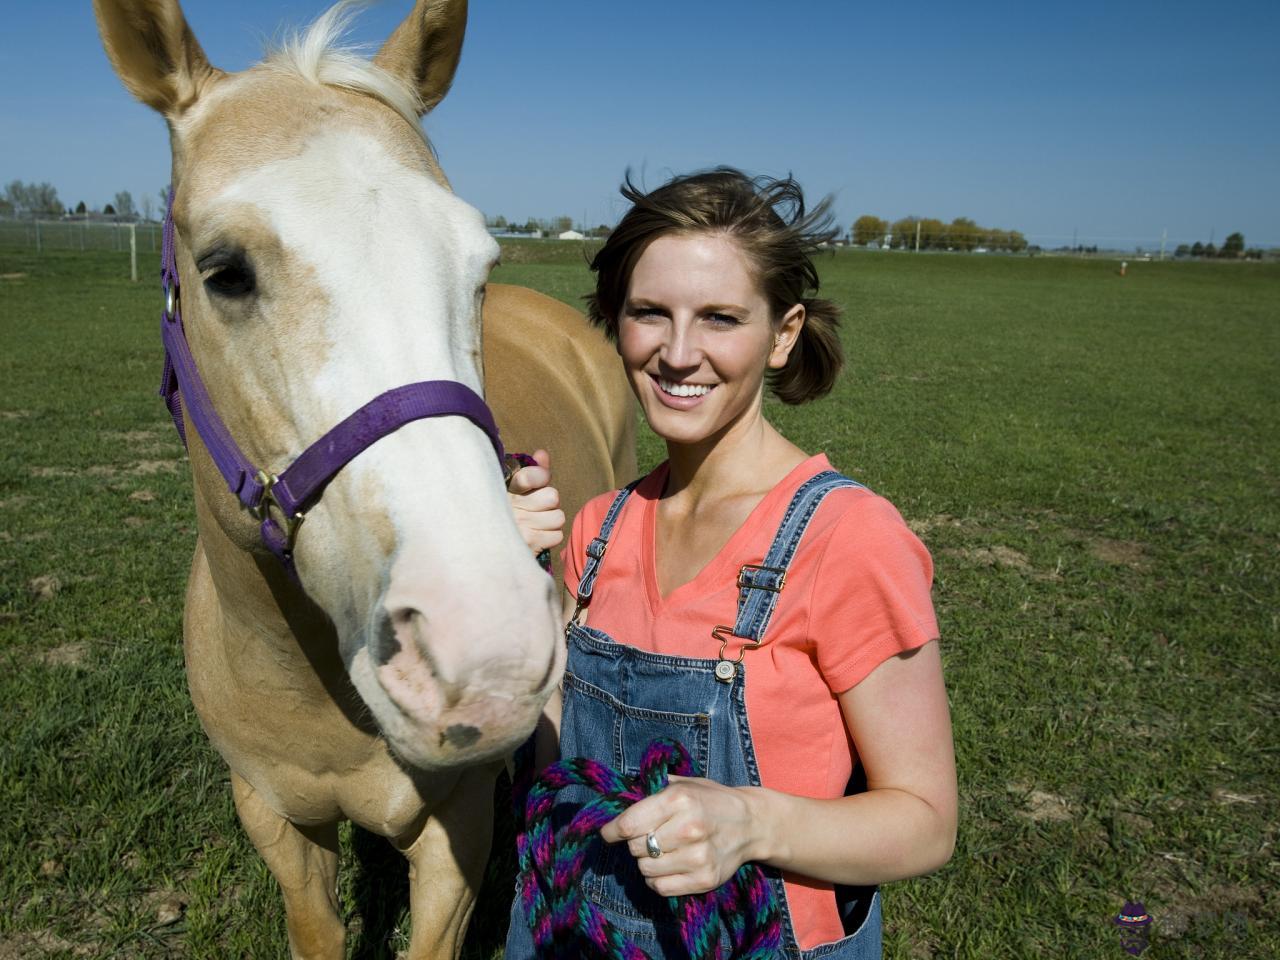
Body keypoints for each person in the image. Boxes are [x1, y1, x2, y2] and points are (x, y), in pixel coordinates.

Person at [504, 168, 956, 959]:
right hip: (572, 931)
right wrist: (504, 581)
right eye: (650, 313)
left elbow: (925, 823)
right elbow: (551, 764)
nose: (679, 354)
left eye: (720, 318)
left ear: (782, 333)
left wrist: (750, 823)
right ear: (616, 321)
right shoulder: (598, 529)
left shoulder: (848, 537)